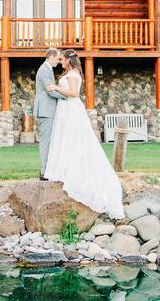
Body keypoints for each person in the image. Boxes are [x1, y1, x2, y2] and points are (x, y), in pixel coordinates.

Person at [44, 49, 125, 219]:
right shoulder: (70, 72)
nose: (60, 62)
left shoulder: (73, 74)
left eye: (62, 59)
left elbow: (74, 93)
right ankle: (64, 168)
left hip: (71, 109)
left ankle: (73, 171)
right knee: (66, 139)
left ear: (68, 60)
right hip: (65, 109)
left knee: (74, 139)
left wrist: (55, 87)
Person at [33, 48, 64, 180]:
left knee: (50, 141)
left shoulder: (47, 69)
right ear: (51, 57)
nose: (59, 61)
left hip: (48, 109)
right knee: (45, 142)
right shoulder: (44, 70)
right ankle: (44, 172)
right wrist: (66, 96)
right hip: (46, 111)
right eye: (58, 58)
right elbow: (50, 91)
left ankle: (48, 170)